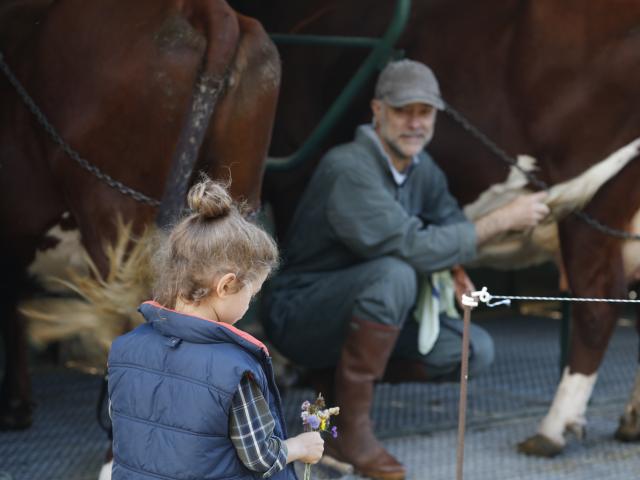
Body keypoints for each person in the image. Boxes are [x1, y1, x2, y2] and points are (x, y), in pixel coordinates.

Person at [262, 60, 549, 480]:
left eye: (425, 112)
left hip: (363, 313)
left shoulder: (421, 169)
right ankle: (352, 434)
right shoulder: (349, 166)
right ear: (377, 111)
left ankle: (330, 385)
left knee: (470, 350)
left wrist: (451, 264)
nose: (415, 123)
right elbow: (412, 247)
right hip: (300, 313)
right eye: (403, 110)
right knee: (395, 273)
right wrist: (503, 219)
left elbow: (449, 221)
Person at [107, 178, 323, 480]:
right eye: (252, 293)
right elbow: (260, 457)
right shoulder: (234, 370)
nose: (250, 303)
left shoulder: (124, 350)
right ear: (225, 286)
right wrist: (300, 447)